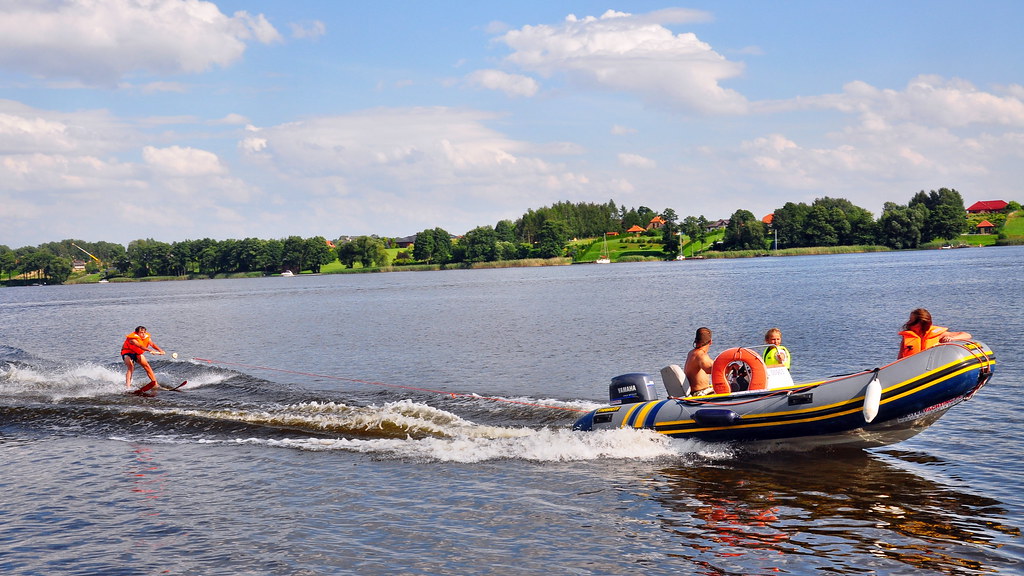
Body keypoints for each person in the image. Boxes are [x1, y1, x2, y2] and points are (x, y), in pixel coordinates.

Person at [897, 308, 972, 359]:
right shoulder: (907, 337)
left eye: (911, 320)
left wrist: (952, 338)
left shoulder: (938, 334)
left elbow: (967, 335)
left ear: (920, 323)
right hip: (913, 371)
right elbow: (900, 358)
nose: (908, 323)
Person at [121, 326, 166, 390]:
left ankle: (155, 384)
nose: (143, 334)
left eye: (144, 332)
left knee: (147, 366)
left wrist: (160, 350)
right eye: (141, 332)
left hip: (137, 353)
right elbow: (140, 346)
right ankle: (128, 387)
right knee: (131, 367)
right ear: (137, 333)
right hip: (127, 353)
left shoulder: (146, 337)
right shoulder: (132, 339)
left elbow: (152, 344)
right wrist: (150, 350)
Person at [683, 327, 714, 396]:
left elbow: (712, 364)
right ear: (710, 342)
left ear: (696, 341)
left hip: (695, 392)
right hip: (699, 394)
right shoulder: (701, 355)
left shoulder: (691, 353)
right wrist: (729, 368)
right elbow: (710, 369)